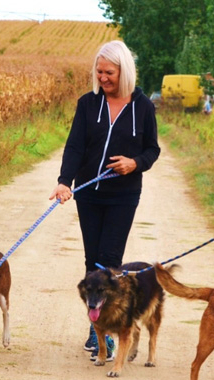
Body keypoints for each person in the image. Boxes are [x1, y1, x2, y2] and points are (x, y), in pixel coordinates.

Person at [49, 40, 161, 362]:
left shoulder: (143, 107)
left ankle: (107, 334)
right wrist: (63, 182)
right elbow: (74, 147)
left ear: (123, 71)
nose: (102, 78)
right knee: (91, 261)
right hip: (88, 192)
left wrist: (134, 163)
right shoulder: (88, 104)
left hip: (123, 195)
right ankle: (96, 327)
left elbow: (152, 150)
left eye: (109, 72)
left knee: (110, 262)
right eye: (99, 72)